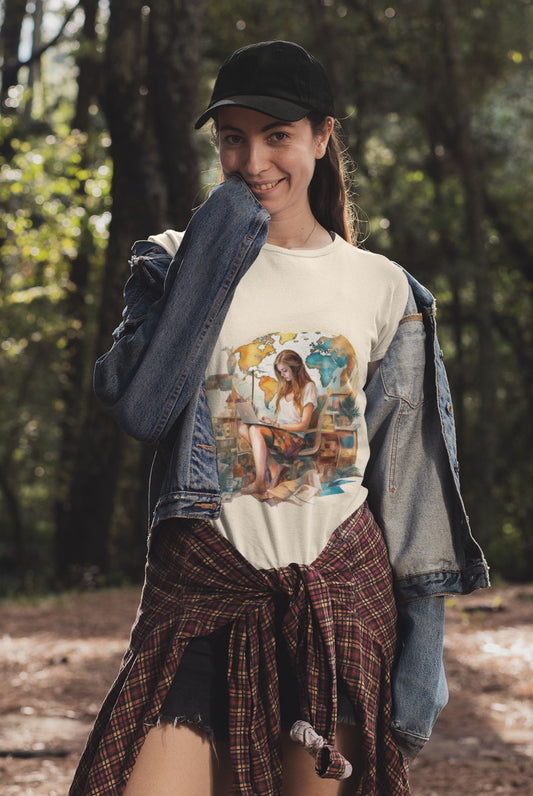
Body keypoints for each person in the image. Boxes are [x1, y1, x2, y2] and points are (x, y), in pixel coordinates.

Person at [70, 40, 489, 796]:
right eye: (232, 137)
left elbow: (409, 482)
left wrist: (420, 659)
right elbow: (136, 404)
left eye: (277, 136)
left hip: (335, 598)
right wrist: (213, 248)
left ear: (322, 138)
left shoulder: (383, 288)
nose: (253, 160)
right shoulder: (171, 258)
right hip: (203, 591)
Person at [238, 350, 318, 495]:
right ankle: (273, 464)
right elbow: (284, 418)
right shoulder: (285, 389)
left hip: (295, 439)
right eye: (280, 371)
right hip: (282, 434)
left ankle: (260, 482)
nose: (282, 375)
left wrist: (278, 426)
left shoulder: (308, 387)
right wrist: (270, 421)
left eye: (285, 370)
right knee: (243, 428)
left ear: (296, 368)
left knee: (255, 430)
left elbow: (303, 425)